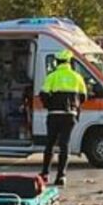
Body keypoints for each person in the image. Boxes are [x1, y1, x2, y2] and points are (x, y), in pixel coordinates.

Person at [39, 50, 87, 186]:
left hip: (54, 115)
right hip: (69, 115)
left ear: (57, 62)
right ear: (69, 62)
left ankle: (45, 174)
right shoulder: (77, 77)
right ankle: (61, 176)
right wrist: (74, 105)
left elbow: (43, 94)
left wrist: (49, 105)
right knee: (64, 145)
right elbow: (83, 96)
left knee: (50, 144)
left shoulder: (52, 76)